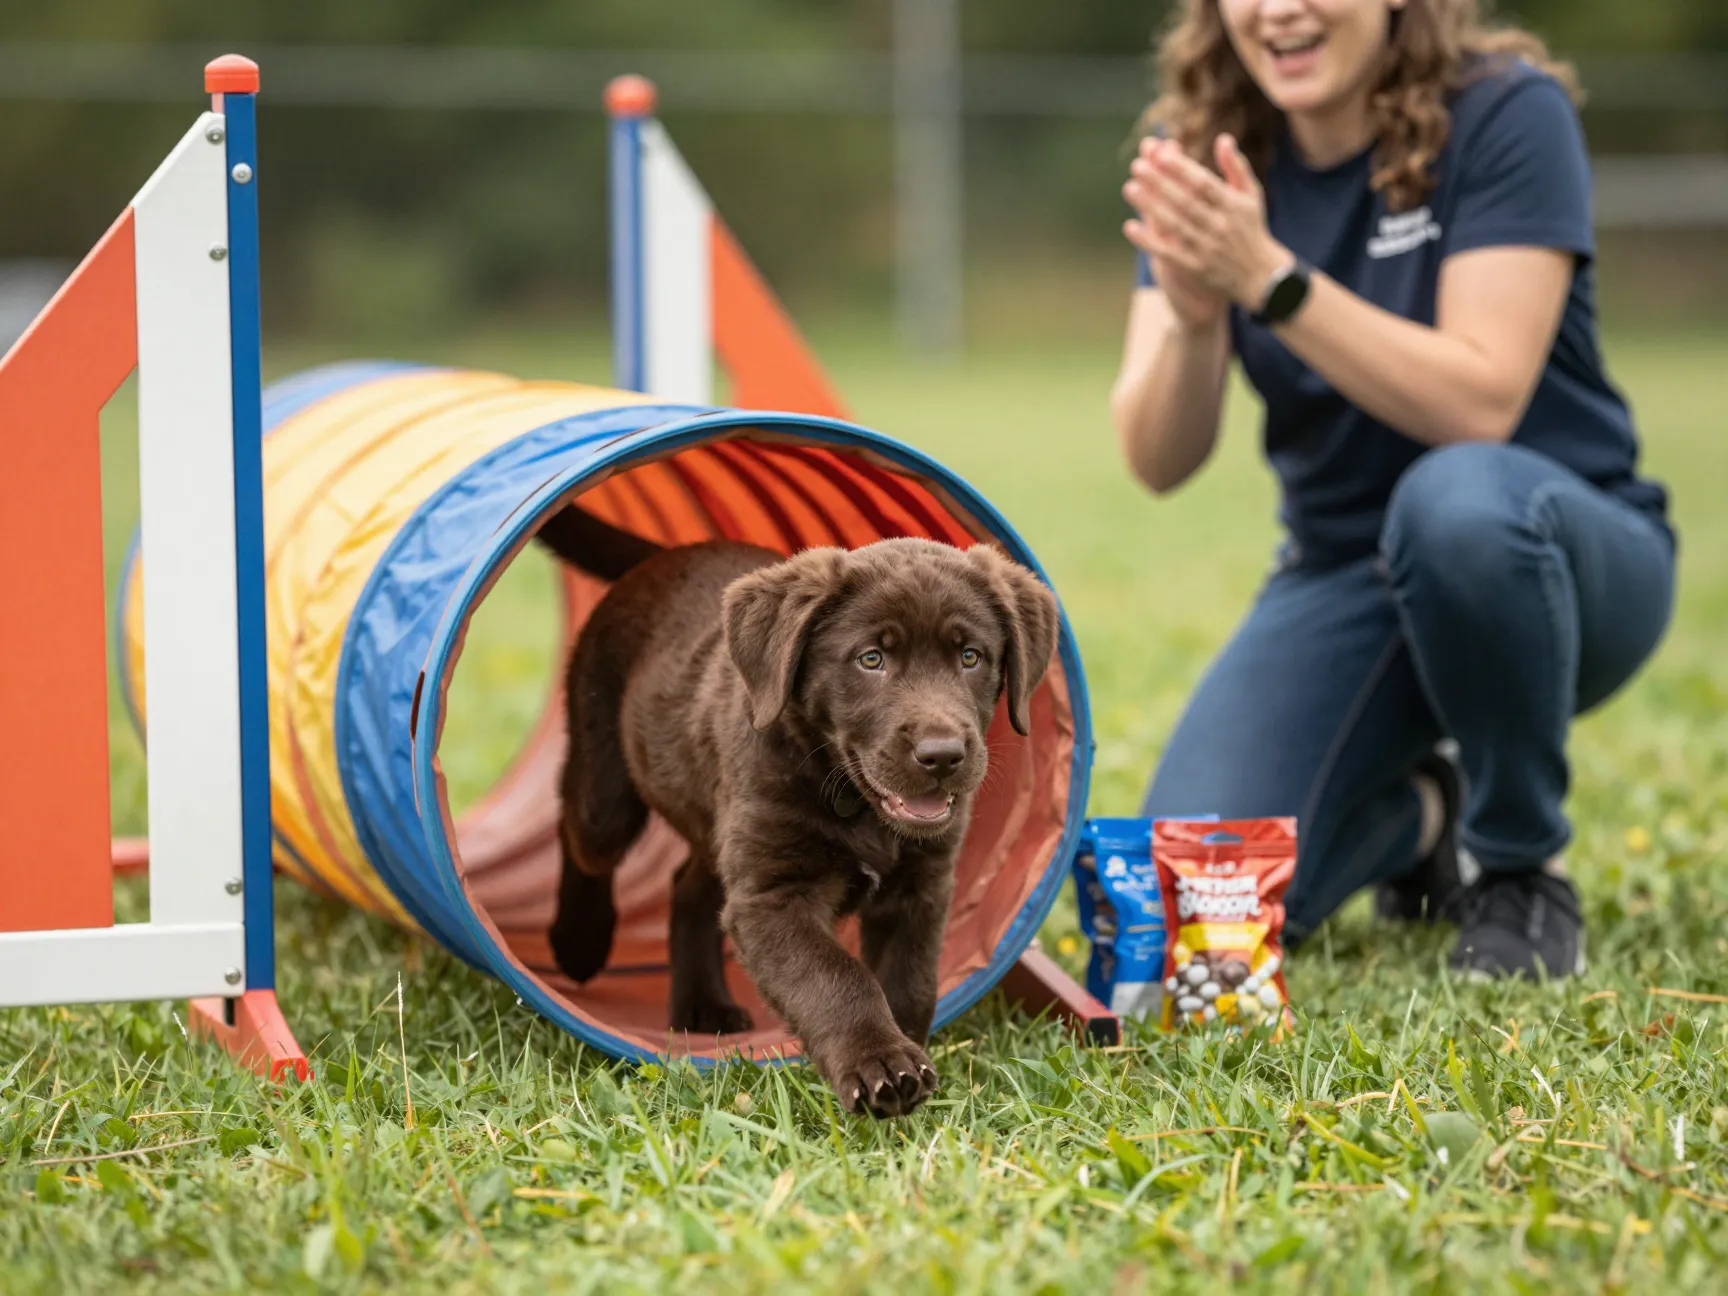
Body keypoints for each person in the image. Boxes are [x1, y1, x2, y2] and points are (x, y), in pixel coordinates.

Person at [1110, 0, 1676, 979]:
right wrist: (1197, 318)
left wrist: (1272, 279)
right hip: (1347, 580)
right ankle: (1423, 820)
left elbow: (1481, 401)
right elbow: (1157, 461)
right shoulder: (1200, 150)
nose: (1277, 11)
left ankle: (1517, 869)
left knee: (1454, 502)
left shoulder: (1507, 112)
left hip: (1549, 558)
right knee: (1191, 921)